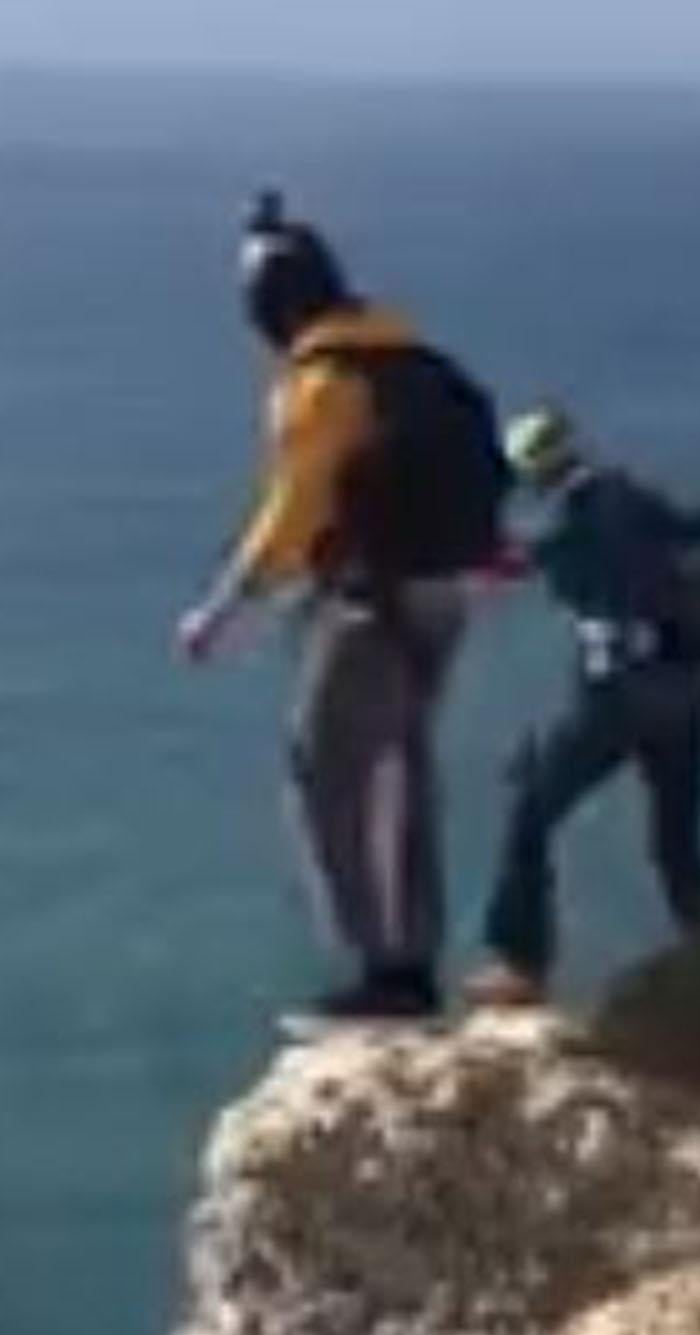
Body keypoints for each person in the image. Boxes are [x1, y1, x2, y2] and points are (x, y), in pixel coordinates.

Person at [176, 192, 507, 1020]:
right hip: (445, 598)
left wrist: (223, 611)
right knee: (405, 769)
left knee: (328, 772)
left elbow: (295, 512)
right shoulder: (420, 362)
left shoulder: (323, 384)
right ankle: (414, 959)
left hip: (371, 603)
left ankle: (378, 967)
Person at [462, 405, 700, 1008]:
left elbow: (516, 562)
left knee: (531, 814)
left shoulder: (575, 524)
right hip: (688, 693)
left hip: (618, 696)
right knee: (677, 845)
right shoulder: (642, 502)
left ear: (528, 475)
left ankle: (520, 964)